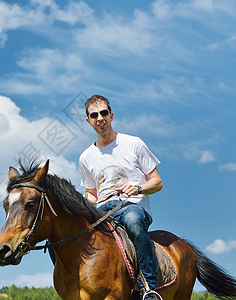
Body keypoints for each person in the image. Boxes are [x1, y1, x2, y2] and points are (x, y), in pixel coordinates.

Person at [78, 95, 163, 299]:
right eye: (94, 115)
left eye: (104, 113)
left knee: (133, 222)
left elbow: (157, 182)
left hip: (132, 206)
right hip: (102, 209)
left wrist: (138, 188)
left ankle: (149, 289)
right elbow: (91, 194)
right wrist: (78, 205)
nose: (100, 118)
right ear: (88, 121)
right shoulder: (85, 157)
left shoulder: (134, 143)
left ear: (111, 115)